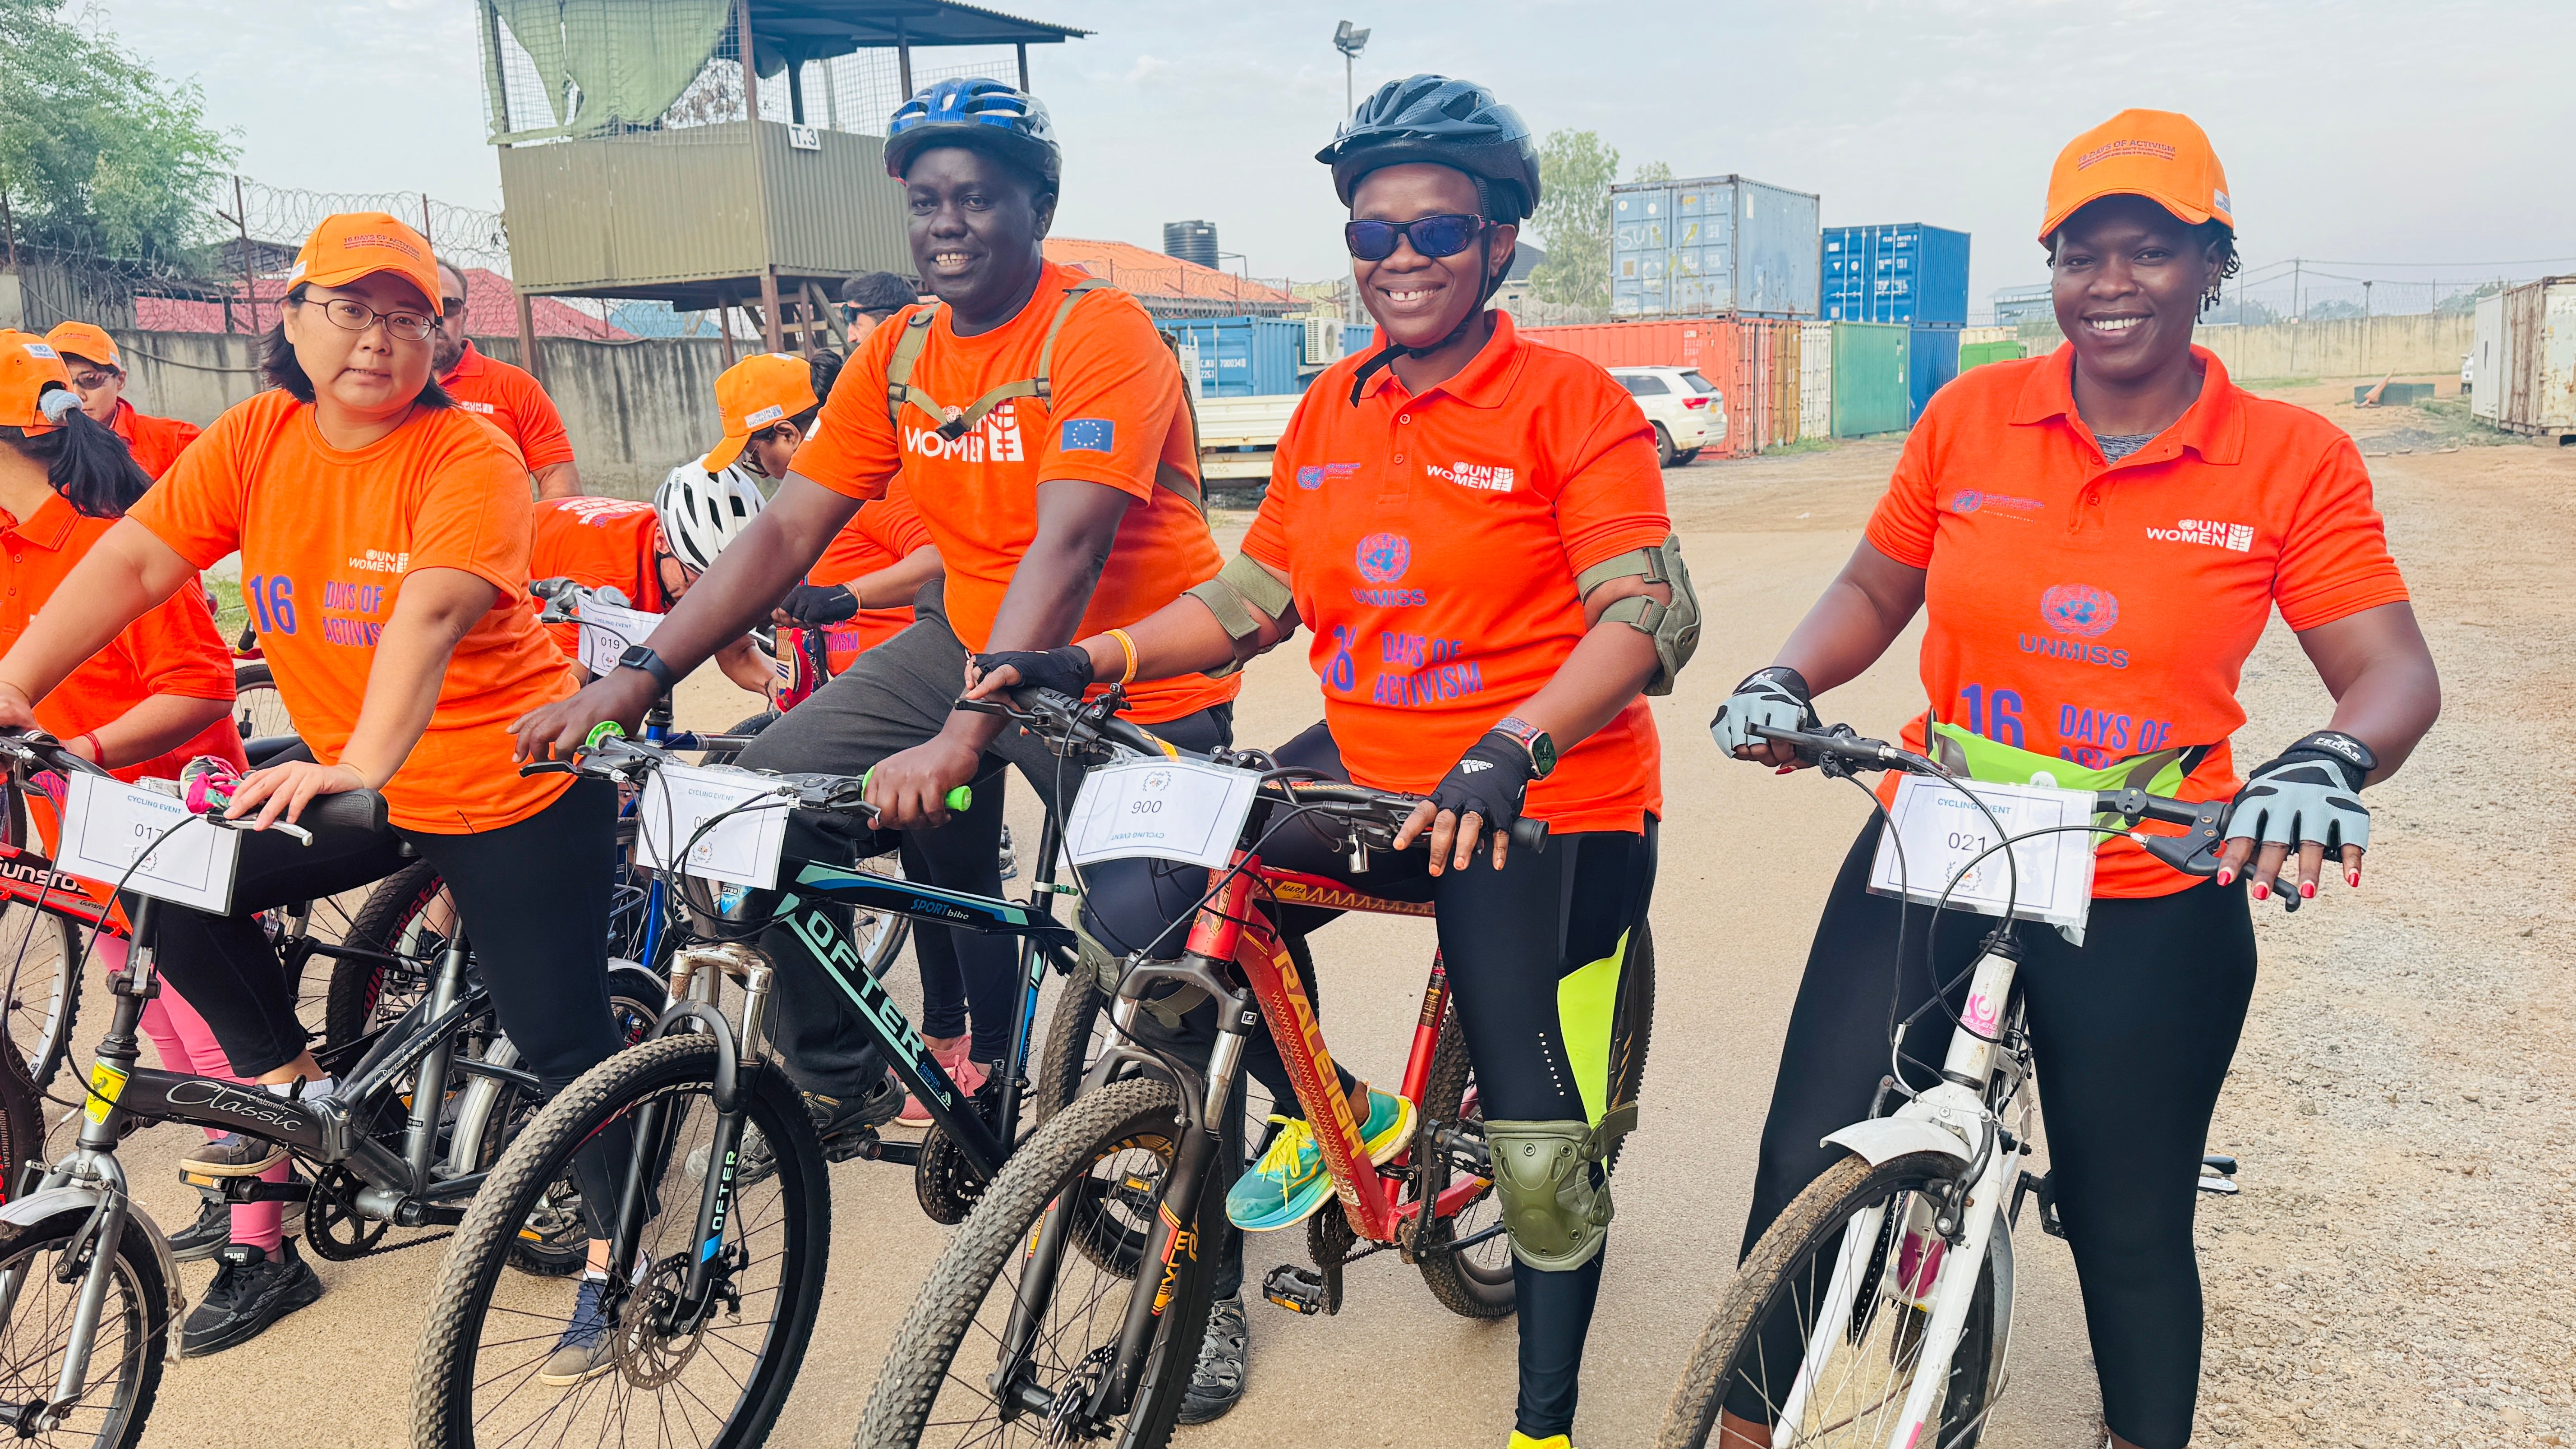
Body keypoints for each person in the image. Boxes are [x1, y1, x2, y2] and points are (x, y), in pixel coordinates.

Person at [970, 74, 1694, 1445]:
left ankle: (1542, 1421)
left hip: (1542, 805)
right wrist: (1093, 658)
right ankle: (1334, 1112)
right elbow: (1252, 601)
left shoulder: (1568, 403)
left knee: (1536, 1154)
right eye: (1373, 235)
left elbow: (1645, 615)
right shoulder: (1332, 409)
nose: (1401, 261)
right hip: (1368, 774)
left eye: (1435, 232)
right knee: (1149, 902)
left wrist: (1513, 743)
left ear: (1496, 244)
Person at [1704, 111, 2439, 1449]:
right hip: (1943, 831)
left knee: (2127, 1220)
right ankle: (1747, 1429)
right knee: (1802, 1161)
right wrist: (1787, 679)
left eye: (2148, 250)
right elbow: (1877, 582)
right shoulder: (1971, 415)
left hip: (2147, 871)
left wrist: (2321, 759)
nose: (2109, 282)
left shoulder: (2286, 458)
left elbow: (2388, 672)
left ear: (2210, 261)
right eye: (2079, 252)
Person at [511, 69, 1246, 1381]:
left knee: (1161, 985)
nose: (948, 222)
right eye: (925, 202)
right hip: (962, 645)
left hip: (1130, 675)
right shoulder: (899, 350)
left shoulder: (1099, 332)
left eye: (976, 197)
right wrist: (636, 674)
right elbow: (788, 529)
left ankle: (1208, 1287)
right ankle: (843, 1076)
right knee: (747, 805)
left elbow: (1069, 546)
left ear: (1038, 206)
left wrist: (970, 728)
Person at [0, 214, 631, 1367]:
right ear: (292, 318)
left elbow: (434, 609)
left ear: (440, 342)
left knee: (563, 1047)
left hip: (511, 787)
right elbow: (142, 560)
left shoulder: (470, 454)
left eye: (409, 319)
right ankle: (295, 1094)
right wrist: (16, 684)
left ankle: (625, 1256)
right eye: (352, 310)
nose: (381, 340)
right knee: (162, 879)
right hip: (364, 779)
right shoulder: (258, 435)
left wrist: (365, 761)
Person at [0, 331, 272, 1274]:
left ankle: (263, 1251)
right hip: (75, 832)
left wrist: (83, 750)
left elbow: (201, 688)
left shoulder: (110, 548)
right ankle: (235, 1195)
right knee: (153, 1021)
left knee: (218, 1030)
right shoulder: (8, 551)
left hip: (162, 819)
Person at [525, 475, 776, 694]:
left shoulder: (687, 552)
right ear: (662, 543)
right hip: (521, 582)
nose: (708, 597)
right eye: (699, 580)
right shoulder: (610, 580)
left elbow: (740, 656)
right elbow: (564, 685)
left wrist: (786, 693)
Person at [430, 258, 583, 500]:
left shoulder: (516, 387)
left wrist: (535, 535)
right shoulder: (383, 388)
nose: (437, 319)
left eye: (448, 307)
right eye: (424, 305)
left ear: (465, 315)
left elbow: (557, 476)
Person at [42, 322, 202, 479]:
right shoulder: (34, 453)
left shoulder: (177, 443)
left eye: (91, 380)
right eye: (61, 384)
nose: (76, 395)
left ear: (120, 380)